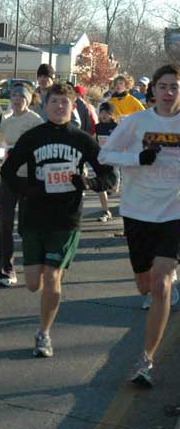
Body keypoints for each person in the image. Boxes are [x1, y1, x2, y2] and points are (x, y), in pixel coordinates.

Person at [1, 83, 114, 358]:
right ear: (45, 105)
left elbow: (108, 177)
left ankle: (44, 334)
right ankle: (52, 275)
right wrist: (29, 188)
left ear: (73, 106)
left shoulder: (82, 139)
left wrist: (87, 182)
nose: (60, 107)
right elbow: (7, 171)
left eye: (65, 102)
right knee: (32, 283)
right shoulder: (33, 137)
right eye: (55, 102)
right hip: (34, 216)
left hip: (66, 218)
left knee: (52, 278)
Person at [99, 64, 180, 387]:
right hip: (137, 212)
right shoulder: (136, 122)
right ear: (153, 90)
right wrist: (137, 159)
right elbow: (105, 155)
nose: (169, 92)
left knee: (161, 285)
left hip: (175, 211)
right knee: (145, 285)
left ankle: (146, 359)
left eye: (175, 86)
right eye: (163, 86)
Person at [0, 85, 43, 286]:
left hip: (28, 178)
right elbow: (3, 147)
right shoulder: (6, 121)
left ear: (29, 99)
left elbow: (40, 148)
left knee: (25, 226)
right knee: (5, 223)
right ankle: (6, 268)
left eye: (21, 96)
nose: (16, 99)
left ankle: (34, 264)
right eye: (14, 95)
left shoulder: (35, 121)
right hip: (9, 177)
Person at [94, 102, 117, 223]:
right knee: (101, 185)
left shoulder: (116, 126)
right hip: (101, 157)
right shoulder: (97, 127)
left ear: (111, 114)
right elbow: (96, 140)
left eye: (106, 113)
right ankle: (105, 211)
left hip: (114, 158)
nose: (103, 115)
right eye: (101, 113)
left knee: (113, 188)